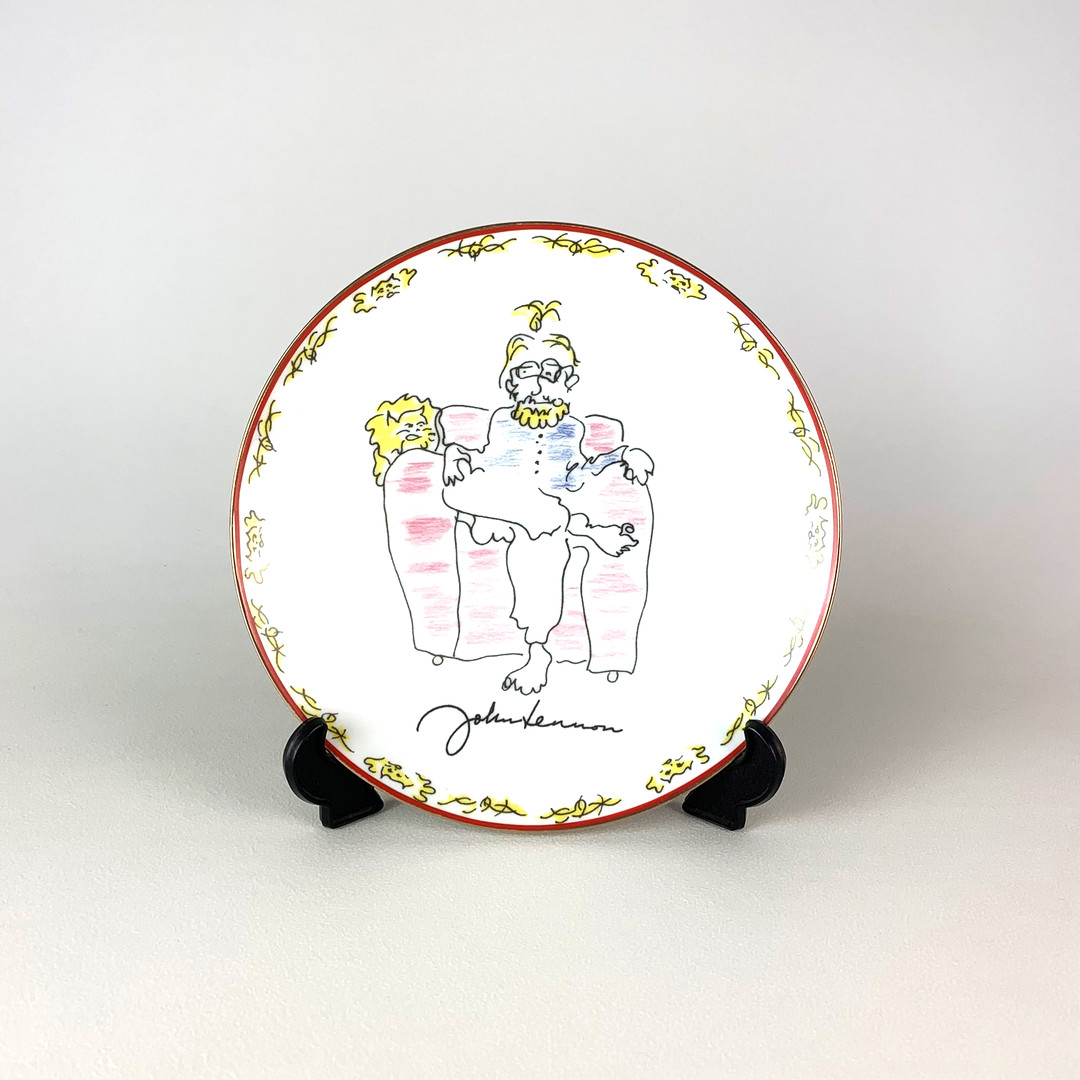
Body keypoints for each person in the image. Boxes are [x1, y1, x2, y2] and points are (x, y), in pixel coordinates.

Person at [441, 324, 653, 693]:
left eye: (551, 371)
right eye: (528, 370)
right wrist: (454, 454)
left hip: (544, 520)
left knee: (544, 540)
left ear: (568, 381)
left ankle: (537, 654)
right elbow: (487, 463)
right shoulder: (502, 421)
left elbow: (576, 474)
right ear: (511, 381)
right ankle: (587, 532)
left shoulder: (571, 429)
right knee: (461, 492)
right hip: (497, 505)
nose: (539, 381)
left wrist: (622, 455)